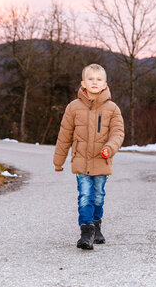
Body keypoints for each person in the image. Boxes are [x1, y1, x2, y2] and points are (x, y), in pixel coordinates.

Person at [53, 63, 125, 250]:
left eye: (98, 79)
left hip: (102, 160)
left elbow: (118, 133)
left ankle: (97, 226)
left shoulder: (112, 108)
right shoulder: (73, 108)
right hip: (81, 160)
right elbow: (64, 135)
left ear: (105, 84)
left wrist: (110, 148)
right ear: (83, 83)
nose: (95, 82)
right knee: (85, 195)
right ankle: (86, 232)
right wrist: (58, 161)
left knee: (99, 196)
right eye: (91, 79)